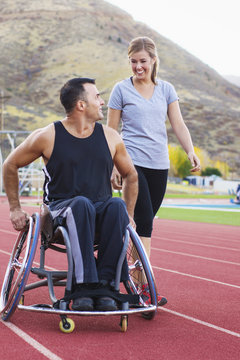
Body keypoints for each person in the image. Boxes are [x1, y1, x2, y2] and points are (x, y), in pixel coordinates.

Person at [3, 77, 138, 312]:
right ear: (81, 105)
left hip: (98, 215)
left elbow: (131, 176)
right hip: (59, 212)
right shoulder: (48, 135)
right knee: (81, 204)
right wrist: (15, 208)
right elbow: (10, 164)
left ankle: (106, 286)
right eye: (97, 97)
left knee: (116, 208)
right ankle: (84, 285)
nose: (102, 102)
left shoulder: (110, 137)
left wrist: (129, 214)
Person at [107, 36, 201, 306]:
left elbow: (178, 124)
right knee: (144, 223)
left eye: (143, 61)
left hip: (160, 165)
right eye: (133, 62)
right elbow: (111, 131)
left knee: (141, 226)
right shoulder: (121, 90)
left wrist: (190, 151)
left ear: (154, 60)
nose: (138, 67)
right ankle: (143, 289)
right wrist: (113, 164)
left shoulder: (166, 90)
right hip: (131, 163)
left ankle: (129, 280)